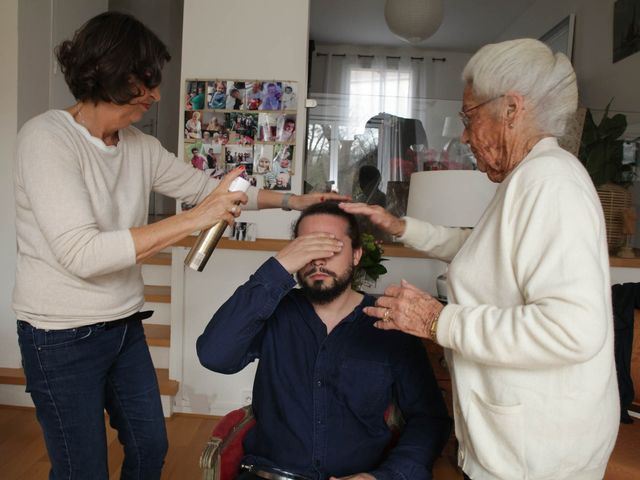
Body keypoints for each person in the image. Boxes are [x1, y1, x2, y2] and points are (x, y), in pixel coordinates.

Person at [13, 12, 347, 480]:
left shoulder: (138, 146)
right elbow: (83, 254)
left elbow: (208, 189)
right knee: (80, 468)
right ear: (110, 73)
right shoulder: (46, 140)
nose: (155, 94)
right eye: (146, 81)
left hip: (122, 325)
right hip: (60, 336)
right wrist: (195, 218)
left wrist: (295, 199)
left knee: (151, 445)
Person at [341, 38, 620, 480]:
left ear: (512, 109)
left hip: (539, 455)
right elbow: (485, 250)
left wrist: (439, 322)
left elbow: (573, 329)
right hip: (519, 444)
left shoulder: (551, 183)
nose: (465, 136)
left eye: (470, 117)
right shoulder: (526, 178)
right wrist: (401, 228)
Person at [197, 201, 451, 480]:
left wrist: (387, 476)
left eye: (331, 246)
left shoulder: (391, 325)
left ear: (356, 255)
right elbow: (214, 354)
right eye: (307, 247)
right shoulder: (272, 311)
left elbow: (430, 419)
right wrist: (277, 268)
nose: (318, 259)